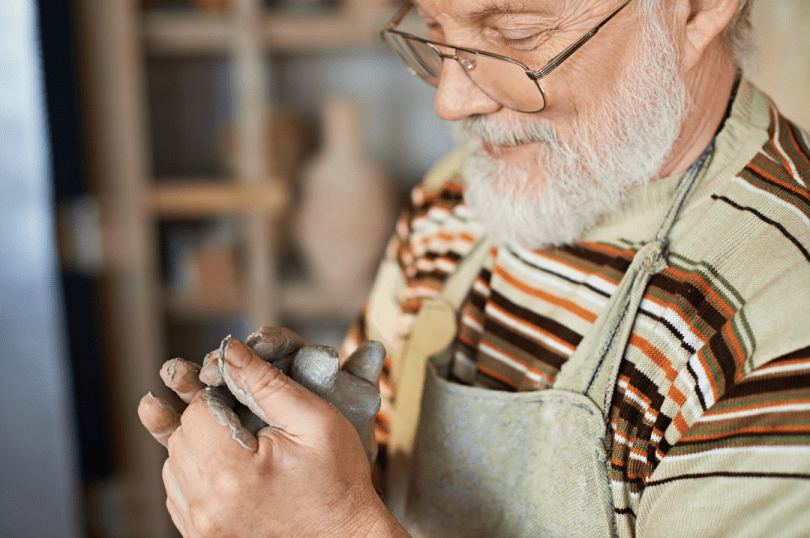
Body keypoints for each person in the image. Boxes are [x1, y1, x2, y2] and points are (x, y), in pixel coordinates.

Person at [138, 0, 810, 535]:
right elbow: (373, 490)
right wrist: (307, 462)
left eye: (512, 34)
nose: (452, 102)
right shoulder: (458, 197)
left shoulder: (783, 319)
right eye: (437, 32)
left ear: (697, 9)